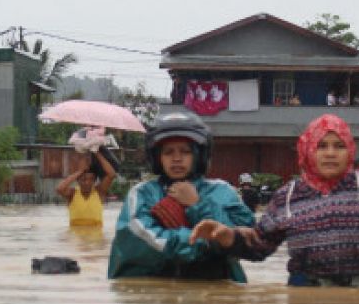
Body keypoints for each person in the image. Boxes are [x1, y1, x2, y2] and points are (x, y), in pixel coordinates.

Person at [190, 114, 359, 288]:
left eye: (338, 145)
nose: (330, 153)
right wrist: (225, 235)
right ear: (308, 150)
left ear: (349, 150)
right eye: (322, 146)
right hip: (304, 297)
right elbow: (259, 245)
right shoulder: (287, 196)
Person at [107, 112, 255, 281]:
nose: (177, 159)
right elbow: (140, 241)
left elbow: (247, 238)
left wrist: (198, 205)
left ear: (199, 155)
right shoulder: (141, 194)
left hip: (214, 293)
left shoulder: (222, 191)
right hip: (158, 297)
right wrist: (205, 242)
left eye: (185, 151)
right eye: (168, 152)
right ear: (157, 158)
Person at [56, 150, 116, 226]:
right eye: (83, 179)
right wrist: (79, 172)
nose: (87, 183)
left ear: (94, 181)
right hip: (75, 236)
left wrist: (97, 153)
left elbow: (112, 175)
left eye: (91, 179)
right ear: (78, 180)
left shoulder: (99, 192)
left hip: (96, 236)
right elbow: (59, 189)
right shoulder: (72, 193)